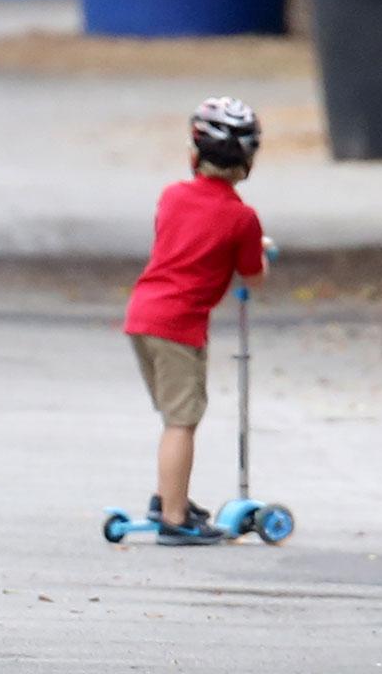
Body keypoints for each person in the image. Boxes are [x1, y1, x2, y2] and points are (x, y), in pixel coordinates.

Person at [123, 97, 268, 545]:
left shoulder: (171, 196)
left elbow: (185, 237)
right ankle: (173, 517)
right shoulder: (242, 217)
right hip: (178, 326)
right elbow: (253, 276)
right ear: (248, 163)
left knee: (174, 415)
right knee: (182, 421)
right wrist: (263, 251)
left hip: (143, 314)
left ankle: (171, 498)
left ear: (194, 155)